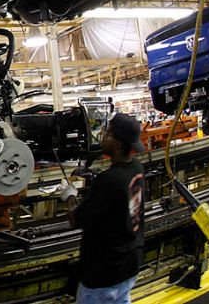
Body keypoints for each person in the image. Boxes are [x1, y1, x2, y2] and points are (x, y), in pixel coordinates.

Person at [59, 112, 145, 304]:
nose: (103, 136)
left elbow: (76, 219)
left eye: (109, 133)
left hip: (105, 272)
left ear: (119, 143)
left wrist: (69, 195)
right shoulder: (137, 169)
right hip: (130, 263)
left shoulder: (108, 180)